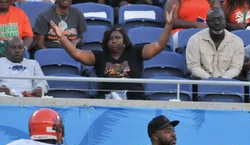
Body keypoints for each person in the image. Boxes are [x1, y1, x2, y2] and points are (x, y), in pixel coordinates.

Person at [49, 5, 178, 100]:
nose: (113, 41)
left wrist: (169, 25)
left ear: (124, 40)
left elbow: (160, 45)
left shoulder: (136, 52)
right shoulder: (99, 56)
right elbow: (76, 53)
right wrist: (62, 38)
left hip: (135, 101)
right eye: (110, 39)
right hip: (107, 101)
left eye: (117, 38)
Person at [186, 7, 245, 79]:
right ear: (207, 22)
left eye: (220, 19)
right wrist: (209, 80)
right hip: (202, 82)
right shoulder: (194, 40)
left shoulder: (237, 42)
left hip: (228, 83)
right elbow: (193, 66)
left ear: (225, 21)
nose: (217, 23)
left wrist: (222, 79)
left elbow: (236, 67)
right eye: (212, 20)